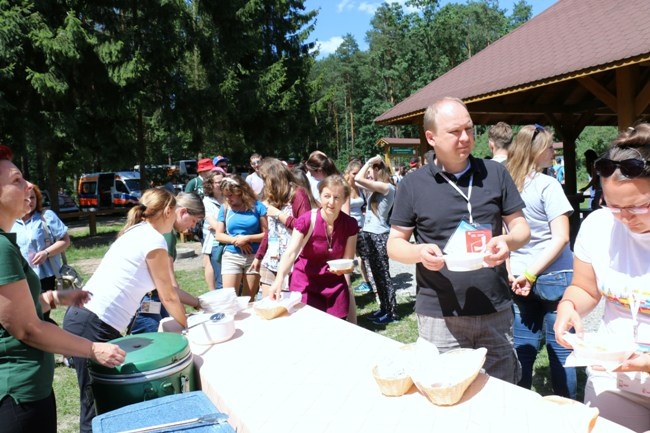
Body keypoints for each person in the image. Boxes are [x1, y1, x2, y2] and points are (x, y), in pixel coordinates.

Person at [387, 97, 530, 383]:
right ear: (431, 137)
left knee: (501, 392)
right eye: (455, 132)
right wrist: (418, 253)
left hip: (495, 309)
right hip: (440, 314)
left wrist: (507, 242)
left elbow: (521, 228)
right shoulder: (413, 184)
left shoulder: (495, 173)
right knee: (444, 392)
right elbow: (395, 244)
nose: (465, 138)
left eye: (469, 128)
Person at [0, 145, 125, 433]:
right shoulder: (1, 249)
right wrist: (92, 348)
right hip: (16, 397)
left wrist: (55, 298)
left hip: (29, 390)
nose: (29, 185)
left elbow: (17, 312)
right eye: (17, 180)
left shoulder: (6, 243)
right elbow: (27, 329)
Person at [62, 188, 188, 432]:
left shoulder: (136, 232)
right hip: (92, 324)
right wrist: (187, 326)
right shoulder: (153, 238)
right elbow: (168, 294)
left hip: (88, 320)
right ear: (168, 211)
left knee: (107, 402)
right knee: (96, 405)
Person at [554, 124, 650, 432]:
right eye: (613, 205)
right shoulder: (598, 226)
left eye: (638, 206)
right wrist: (569, 304)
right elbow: (585, 287)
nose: (624, 217)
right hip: (615, 381)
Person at [505, 124, 577, 399]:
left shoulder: (507, 186)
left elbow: (504, 235)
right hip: (552, 277)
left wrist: (513, 272)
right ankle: (567, 411)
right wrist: (532, 274)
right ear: (536, 151)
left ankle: (520, 406)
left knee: (523, 347)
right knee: (561, 348)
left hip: (519, 278)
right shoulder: (548, 185)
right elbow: (560, 238)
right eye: (549, 147)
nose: (552, 151)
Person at [268, 175, 359, 319]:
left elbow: (348, 258)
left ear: (344, 199)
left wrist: (345, 276)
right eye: (327, 196)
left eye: (337, 197)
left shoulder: (350, 224)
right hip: (305, 284)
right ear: (320, 196)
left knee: (336, 331)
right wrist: (279, 279)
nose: (331, 202)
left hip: (335, 286)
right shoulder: (307, 220)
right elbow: (291, 253)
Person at [129, 192, 206, 334]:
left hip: (150, 299)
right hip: (148, 301)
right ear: (182, 212)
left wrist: (196, 303)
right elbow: (170, 286)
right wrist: (187, 324)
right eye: (194, 221)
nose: (193, 227)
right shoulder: (165, 235)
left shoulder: (144, 230)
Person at [11, 184, 71, 323]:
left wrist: (46, 253)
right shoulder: (10, 221)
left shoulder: (46, 217)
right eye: (25, 198)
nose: (30, 202)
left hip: (44, 277)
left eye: (33, 198)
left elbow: (65, 241)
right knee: (25, 317)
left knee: (41, 317)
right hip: (20, 277)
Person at [253, 158, 312, 297]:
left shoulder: (298, 194)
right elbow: (270, 231)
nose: (264, 184)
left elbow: (305, 227)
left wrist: (279, 215)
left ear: (274, 177)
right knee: (267, 304)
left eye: (265, 179)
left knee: (287, 307)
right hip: (271, 260)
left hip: (292, 261)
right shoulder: (273, 196)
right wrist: (259, 256)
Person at [355, 156, 398, 325]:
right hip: (370, 235)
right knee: (376, 275)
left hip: (379, 236)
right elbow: (357, 181)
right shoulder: (376, 189)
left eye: (372, 170)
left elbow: (358, 179)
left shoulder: (387, 187)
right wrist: (369, 165)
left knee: (383, 276)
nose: (369, 174)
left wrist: (369, 161)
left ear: (379, 170)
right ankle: (384, 308)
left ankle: (392, 312)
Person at [214, 175, 267, 300]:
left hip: (254, 257)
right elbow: (219, 235)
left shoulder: (258, 207)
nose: (227, 198)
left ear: (241, 192)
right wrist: (236, 240)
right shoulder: (225, 208)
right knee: (229, 297)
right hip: (232, 256)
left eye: (231, 195)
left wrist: (248, 238)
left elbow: (266, 234)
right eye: (225, 195)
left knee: (248, 299)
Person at [343, 159, 373, 294]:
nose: (356, 176)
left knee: (363, 256)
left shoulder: (360, 188)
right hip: (349, 227)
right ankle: (346, 284)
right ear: (347, 173)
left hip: (362, 226)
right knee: (349, 257)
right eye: (354, 173)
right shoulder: (344, 188)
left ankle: (367, 282)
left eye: (359, 173)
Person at [202, 169, 226, 290]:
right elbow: (214, 224)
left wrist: (219, 226)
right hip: (215, 243)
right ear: (210, 185)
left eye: (222, 181)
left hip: (230, 242)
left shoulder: (229, 198)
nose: (221, 184)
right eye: (217, 182)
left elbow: (217, 226)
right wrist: (220, 226)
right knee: (221, 281)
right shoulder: (207, 201)